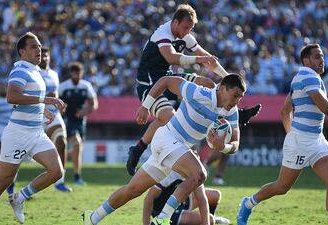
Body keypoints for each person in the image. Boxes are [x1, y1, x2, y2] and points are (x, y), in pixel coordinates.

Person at [82, 74, 246, 225]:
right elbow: (166, 81)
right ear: (223, 88)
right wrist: (145, 106)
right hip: (167, 139)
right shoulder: (199, 93)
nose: (237, 101)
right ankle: (162, 219)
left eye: (240, 97)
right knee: (199, 175)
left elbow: (235, 143)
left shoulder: (231, 112)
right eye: (235, 95)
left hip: (175, 148)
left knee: (133, 190)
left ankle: (93, 217)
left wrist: (223, 147)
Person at [126, 3, 261, 176]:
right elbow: (172, 57)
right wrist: (199, 59)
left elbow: (208, 61)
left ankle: (237, 113)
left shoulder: (184, 34)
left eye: (190, 28)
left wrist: (231, 79)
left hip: (168, 76)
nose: (187, 32)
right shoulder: (162, 33)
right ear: (175, 22)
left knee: (208, 83)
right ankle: (137, 150)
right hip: (150, 83)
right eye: (185, 27)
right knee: (168, 116)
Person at [237, 44, 328, 225]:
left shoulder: (303, 77)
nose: (322, 59)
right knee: (282, 187)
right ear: (306, 61)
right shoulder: (308, 77)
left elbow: (285, 111)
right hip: (301, 142)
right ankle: (248, 203)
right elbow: (323, 106)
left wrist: (292, 134)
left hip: (317, 140)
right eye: (317, 57)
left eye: (322, 56)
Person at [0, 32, 66, 225]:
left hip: (36, 133)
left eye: (39, 47)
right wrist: (45, 100)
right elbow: (12, 97)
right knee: (4, 181)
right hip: (17, 134)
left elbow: (26, 101)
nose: (39, 50)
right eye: (33, 47)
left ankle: (19, 198)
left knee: (57, 171)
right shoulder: (20, 71)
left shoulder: (36, 72)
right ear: (22, 51)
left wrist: (42, 112)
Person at [59, 62, 98, 185]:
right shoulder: (63, 86)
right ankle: (63, 174)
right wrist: (63, 110)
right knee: (77, 143)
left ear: (82, 73)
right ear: (71, 73)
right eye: (74, 72)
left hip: (81, 120)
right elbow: (57, 103)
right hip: (67, 120)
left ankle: (75, 176)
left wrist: (84, 112)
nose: (76, 75)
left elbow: (94, 104)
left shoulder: (86, 86)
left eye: (79, 72)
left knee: (77, 148)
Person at [143, 171, 230, 225]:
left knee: (215, 195)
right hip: (167, 212)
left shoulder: (195, 168)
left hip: (184, 201)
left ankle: (208, 219)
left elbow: (202, 198)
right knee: (210, 219)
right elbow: (148, 199)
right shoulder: (170, 172)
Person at [40, 46, 72, 192]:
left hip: (54, 115)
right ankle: (10, 184)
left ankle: (60, 180)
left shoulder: (54, 74)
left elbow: (55, 94)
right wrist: (48, 98)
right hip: (38, 114)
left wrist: (59, 102)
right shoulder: (34, 73)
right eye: (42, 56)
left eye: (46, 56)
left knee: (62, 141)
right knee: (25, 152)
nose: (44, 58)